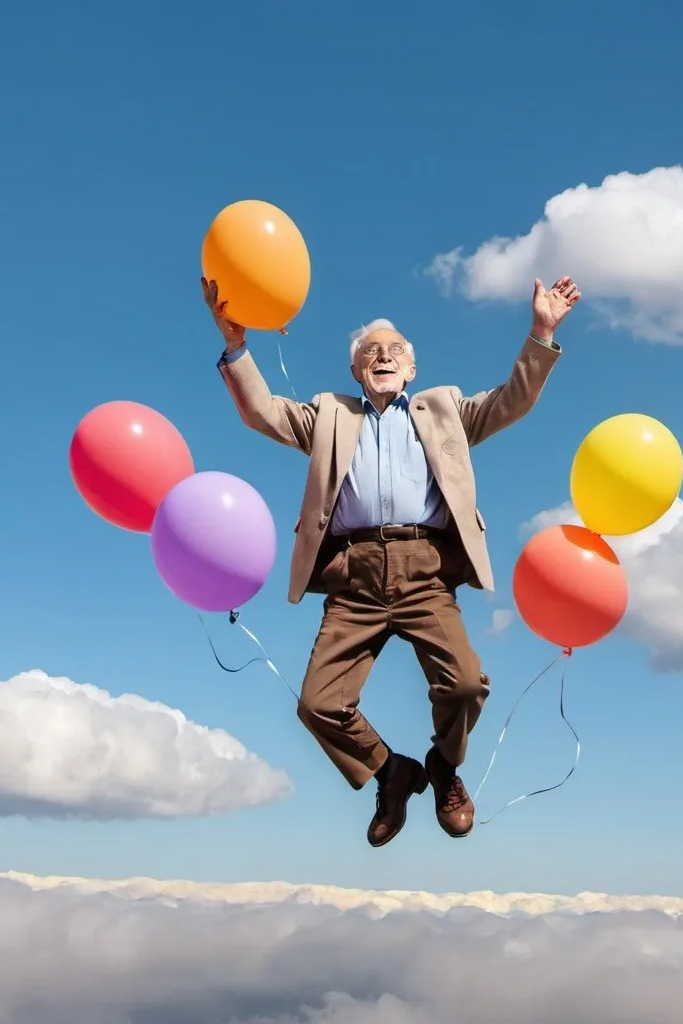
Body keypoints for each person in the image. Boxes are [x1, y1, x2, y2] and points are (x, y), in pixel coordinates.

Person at [203, 273, 580, 846]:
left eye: (395, 350)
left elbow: (512, 401)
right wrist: (236, 345)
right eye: (370, 352)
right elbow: (262, 413)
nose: (383, 356)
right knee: (317, 704)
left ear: (411, 369)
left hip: (425, 571)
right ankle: (392, 772)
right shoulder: (330, 415)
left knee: (464, 687)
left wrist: (540, 332)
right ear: (356, 371)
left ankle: (444, 768)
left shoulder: (444, 409)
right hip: (352, 579)